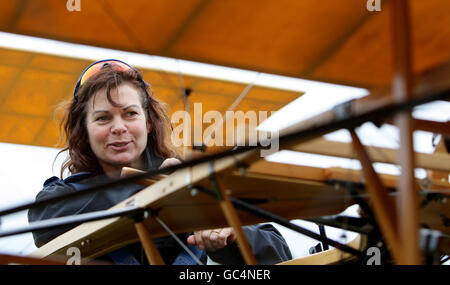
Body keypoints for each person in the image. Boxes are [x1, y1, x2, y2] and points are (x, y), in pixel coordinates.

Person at [28, 59, 292, 265]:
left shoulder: (193, 182)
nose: (118, 127)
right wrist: (160, 192)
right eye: (103, 118)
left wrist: (230, 236)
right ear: (83, 130)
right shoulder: (61, 197)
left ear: (149, 123)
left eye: (130, 113)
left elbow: (278, 253)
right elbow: (45, 220)